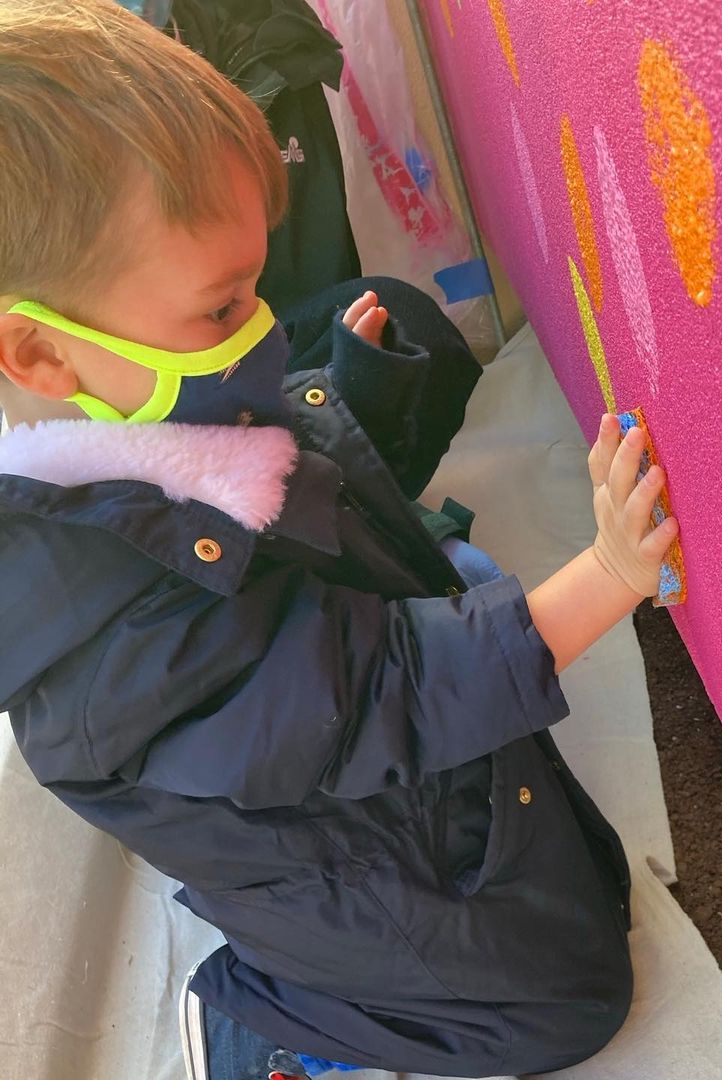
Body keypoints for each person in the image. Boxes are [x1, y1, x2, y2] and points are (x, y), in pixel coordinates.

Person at [0, 3, 680, 1078]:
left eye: (256, 288)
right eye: (222, 309)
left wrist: (357, 394)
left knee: (563, 873)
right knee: (567, 1004)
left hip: (328, 725)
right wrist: (604, 576)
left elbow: (297, 490)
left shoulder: (125, 396)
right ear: (40, 352)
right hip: (320, 843)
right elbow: (376, 698)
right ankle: (272, 1023)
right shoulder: (100, 633)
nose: (263, 329)